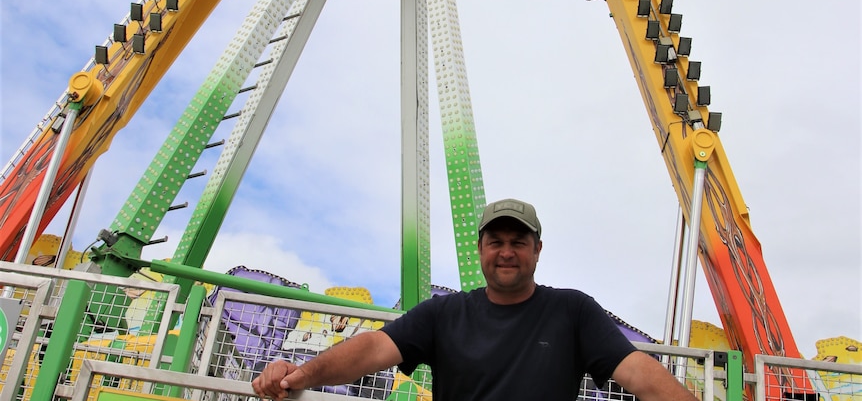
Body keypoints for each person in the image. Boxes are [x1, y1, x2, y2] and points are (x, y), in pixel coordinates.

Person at [252, 198, 698, 400]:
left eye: (519, 242)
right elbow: (373, 348)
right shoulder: (445, 313)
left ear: (537, 250)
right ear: (480, 249)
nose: (507, 252)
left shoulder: (572, 310)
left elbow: (640, 373)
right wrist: (301, 374)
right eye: (497, 241)